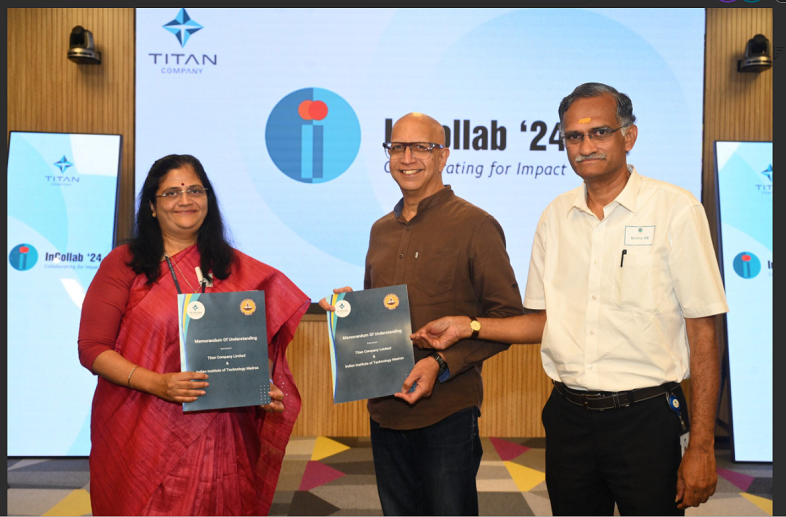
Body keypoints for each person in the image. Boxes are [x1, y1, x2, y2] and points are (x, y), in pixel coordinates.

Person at [411, 83, 728, 516]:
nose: (585, 146)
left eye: (600, 132)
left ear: (628, 137)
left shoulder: (675, 209)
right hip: (568, 418)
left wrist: (703, 446)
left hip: (647, 419)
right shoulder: (554, 216)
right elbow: (542, 321)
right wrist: (470, 325)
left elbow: (703, 330)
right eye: (574, 137)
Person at [78, 154, 310, 516]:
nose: (185, 200)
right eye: (171, 192)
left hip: (223, 433)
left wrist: (257, 387)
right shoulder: (124, 264)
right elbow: (92, 349)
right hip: (142, 429)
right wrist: (158, 383)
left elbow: (253, 350)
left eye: (194, 190)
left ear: (208, 199)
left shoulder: (237, 269)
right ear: (152, 207)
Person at [318, 113, 526, 516]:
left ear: (443, 155)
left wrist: (441, 364)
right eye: (397, 147)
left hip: (446, 412)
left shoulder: (477, 225)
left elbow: (506, 319)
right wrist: (350, 311)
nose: (407, 156)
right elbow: (384, 314)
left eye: (421, 147)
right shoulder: (380, 230)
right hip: (384, 410)